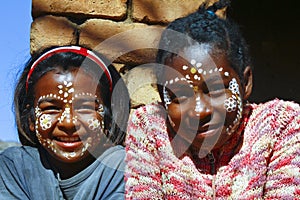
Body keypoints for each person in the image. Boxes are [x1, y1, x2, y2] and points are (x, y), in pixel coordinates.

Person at [125, 0, 300, 199]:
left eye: (216, 90)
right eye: (180, 96)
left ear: (246, 82)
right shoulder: (151, 129)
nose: (200, 111)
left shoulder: (278, 126)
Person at [0, 45, 130, 199]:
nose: (68, 123)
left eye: (84, 108)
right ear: (30, 118)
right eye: (52, 109)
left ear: (108, 119)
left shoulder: (124, 169)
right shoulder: (14, 166)